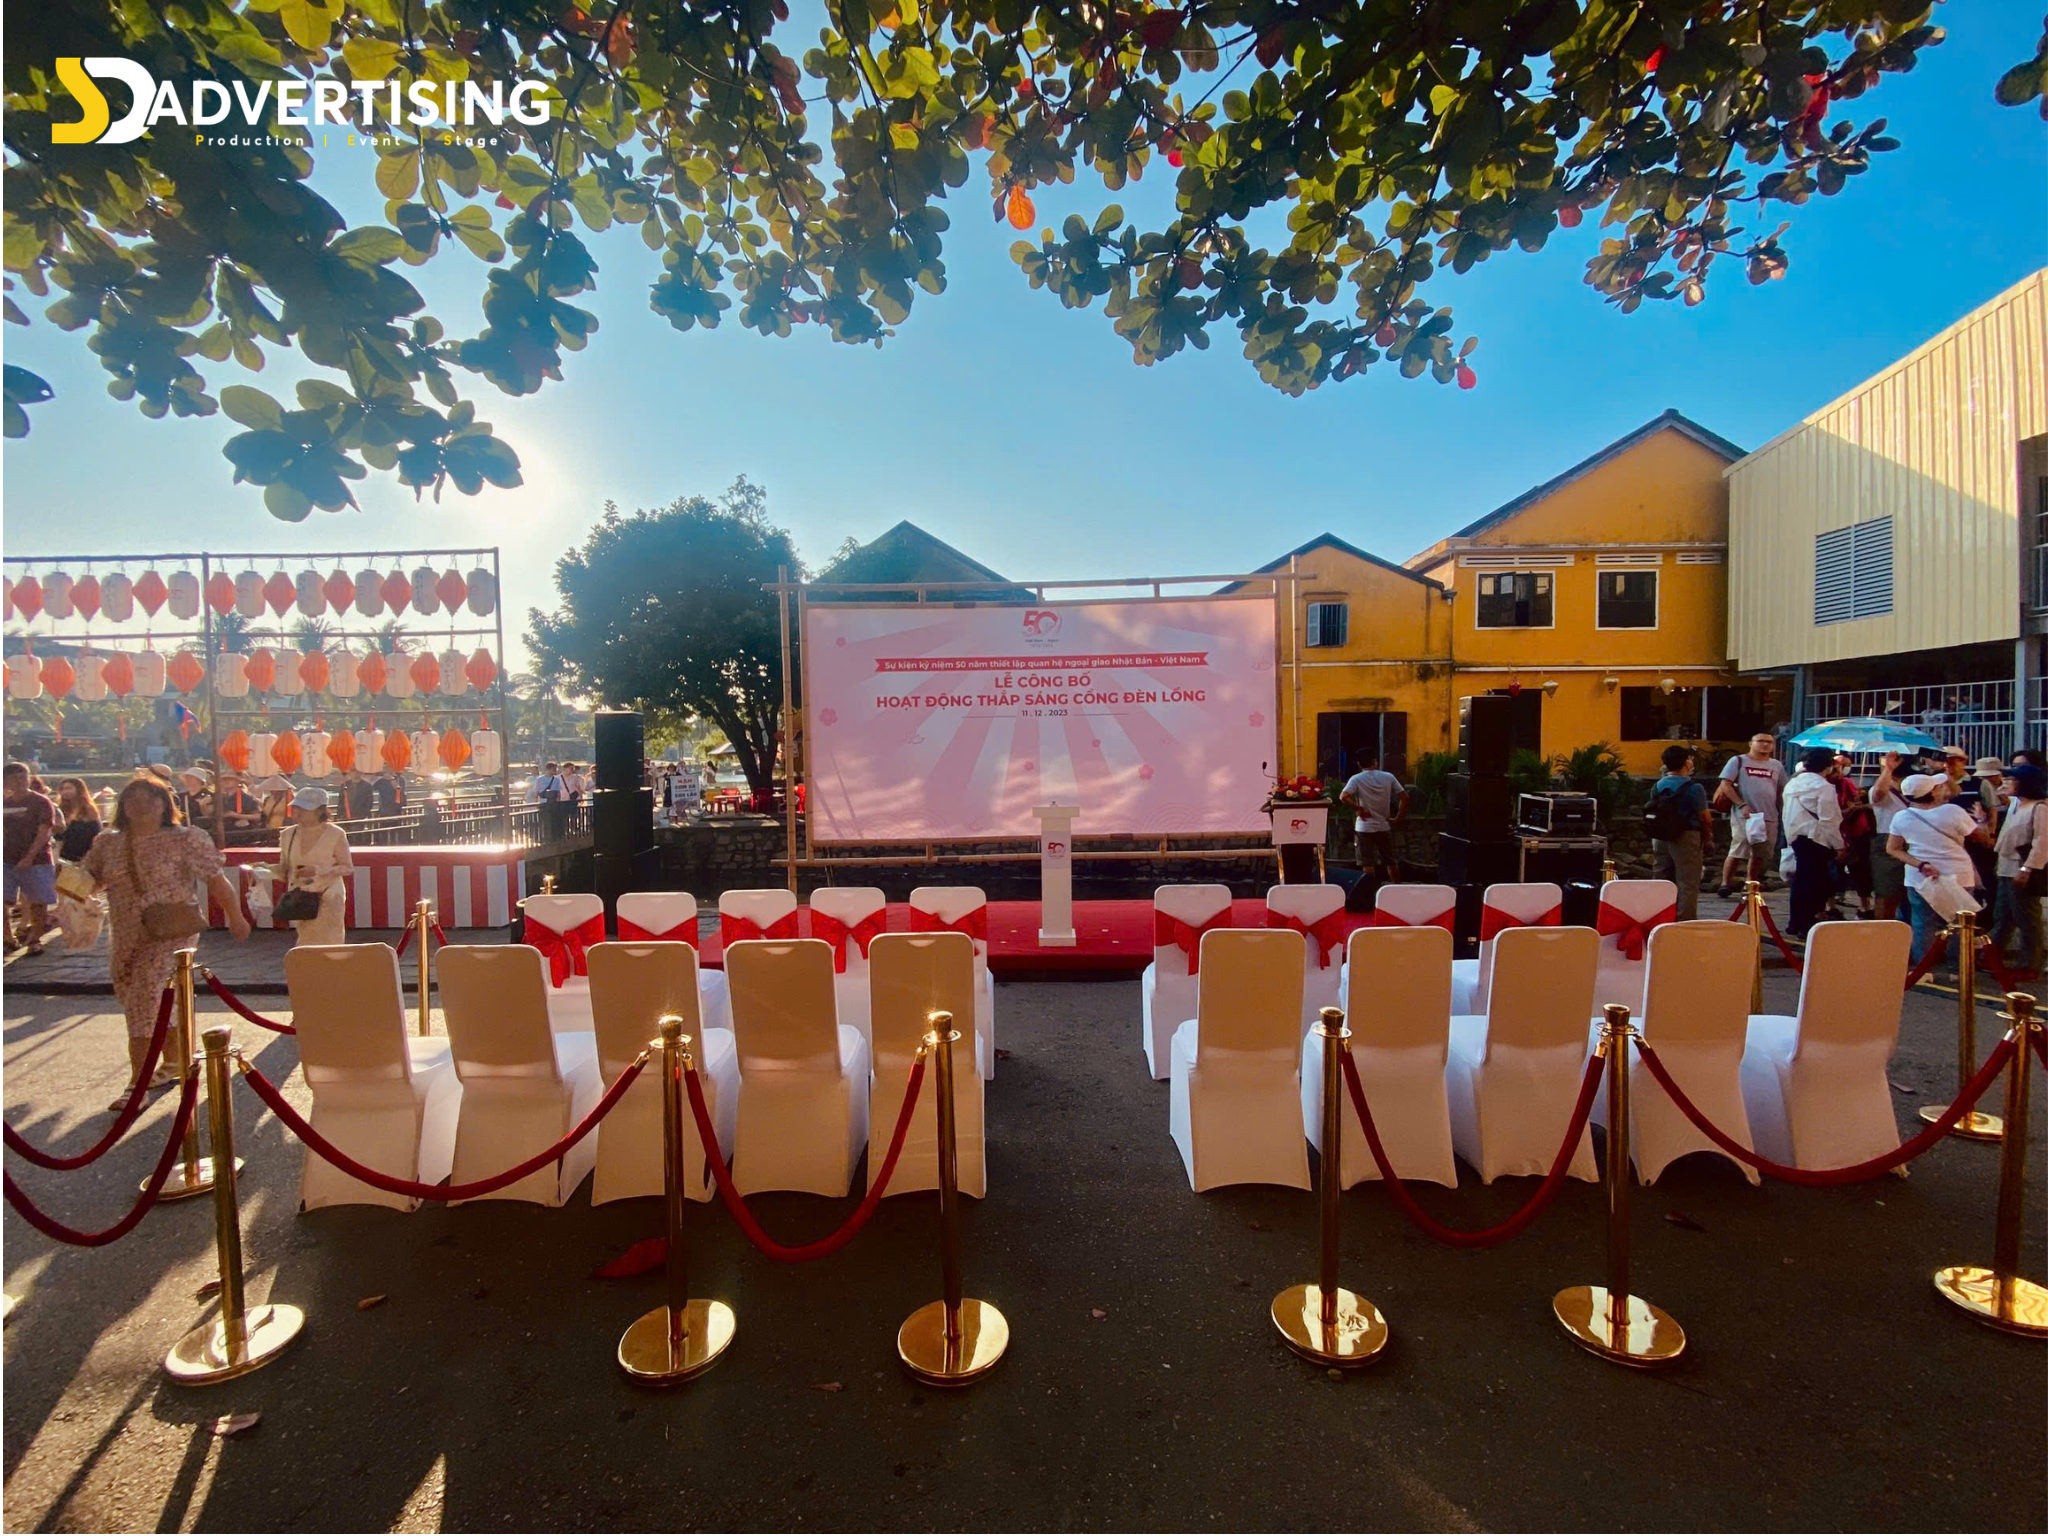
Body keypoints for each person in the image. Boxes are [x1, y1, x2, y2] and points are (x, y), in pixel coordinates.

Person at [83, 777, 252, 1111]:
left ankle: (137, 1083)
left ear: (165, 804)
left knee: (144, 998)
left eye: (151, 799)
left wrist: (236, 915)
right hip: (127, 932)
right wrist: (67, 897)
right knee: (141, 996)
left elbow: (216, 880)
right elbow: (88, 878)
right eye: (133, 800)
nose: (142, 806)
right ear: (122, 807)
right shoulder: (108, 843)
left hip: (170, 931)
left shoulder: (185, 839)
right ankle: (174, 1060)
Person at [1886, 772, 1993, 968]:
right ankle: (1958, 966)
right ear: (1933, 792)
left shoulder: (1901, 817)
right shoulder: (1953, 811)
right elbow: (1982, 838)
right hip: (1958, 874)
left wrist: (1920, 864)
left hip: (1919, 878)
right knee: (1960, 922)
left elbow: (1893, 849)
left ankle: (1924, 968)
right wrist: (1981, 820)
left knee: (1922, 923)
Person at [276, 786, 353, 947]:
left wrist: (318, 870)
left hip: (328, 895)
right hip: (301, 896)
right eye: (296, 808)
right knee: (306, 940)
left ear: (320, 811)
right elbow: (285, 867)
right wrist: (265, 870)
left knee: (329, 941)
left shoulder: (336, 834)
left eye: (304, 809)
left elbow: (347, 867)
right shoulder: (287, 835)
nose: (298, 812)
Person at [1990, 763, 2048, 975]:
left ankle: (2030, 964)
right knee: (2003, 915)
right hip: (2005, 867)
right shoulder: (2017, 804)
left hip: (2021, 867)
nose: (2007, 783)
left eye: (2013, 780)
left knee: (2027, 918)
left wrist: (2027, 868)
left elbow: (2042, 841)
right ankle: (1993, 956)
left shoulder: (2039, 807)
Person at [1782, 748, 1845, 939]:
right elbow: (1829, 819)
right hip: (1817, 838)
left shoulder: (1792, 784)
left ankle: (1795, 922)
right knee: (1816, 884)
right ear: (1827, 766)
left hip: (1797, 837)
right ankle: (1808, 923)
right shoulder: (1823, 787)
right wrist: (1839, 844)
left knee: (1800, 881)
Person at [1714, 732, 1788, 897]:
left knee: (1761, 853)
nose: (1765, 744)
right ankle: (1726, 883)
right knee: (1738, 849)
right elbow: (1725, 784)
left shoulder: (1776, 765)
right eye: (1760, 741)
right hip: (1744, 814)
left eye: (1769, 742)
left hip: (1769, 815)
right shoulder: (1738, 761)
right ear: (1751, 743)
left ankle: (1751, 884)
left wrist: (1782, 810)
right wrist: (1741, 804)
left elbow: (1782, 788)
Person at [1646, 744, 1713, 921]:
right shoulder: (1694, 788)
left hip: (1660, 835)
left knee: (1661, 878)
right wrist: (1708, 838)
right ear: (1686, 763)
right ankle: (1685, 920)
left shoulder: (1658, 785)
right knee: (1688, 881)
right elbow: (1705, 816)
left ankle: (1659, 917)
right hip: (1686, 835)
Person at [4, 761, 60, 953]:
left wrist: (29, 857)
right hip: (6, 858)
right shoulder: (5, 803)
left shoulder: (41, 802)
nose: (19, 782)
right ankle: (7, 938)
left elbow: (44, 832)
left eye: (23, 777)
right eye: (13, 778)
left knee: (38, 901)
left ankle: (35, 938)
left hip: (37, 860)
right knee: (3, 899)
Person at [1338, 750, 1406, 881]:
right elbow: (1404, 797)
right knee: (1390, 861)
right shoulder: (1388, 777)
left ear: (1359, 764)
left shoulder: (1356, 779)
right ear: (1375, 762)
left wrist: (1358, 808)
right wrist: (1398, 817)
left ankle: (1370, 889)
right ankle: (1397, 886)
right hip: (1384, 825)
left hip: (1364, 827)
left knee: (1367, 862)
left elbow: (1343, 796)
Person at [1868, 751, 1910, 922]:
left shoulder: (1914, 790)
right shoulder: (1881, 788)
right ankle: (1883, 929)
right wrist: (1889, 769)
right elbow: (1877, 795)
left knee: (1908, 893)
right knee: (1887, 893)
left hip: (1912, 841)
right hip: (1887, 839)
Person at [1833, 754, 1876, 919]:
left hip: (1858, 833)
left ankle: (1864, 905)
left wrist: (1860, 804)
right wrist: (1850, 809)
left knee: (1861, 870)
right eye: (1840, 765)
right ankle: (1831, 905)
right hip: (1838, 832)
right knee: (1834, 871)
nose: (1843, 769)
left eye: (1847, 765)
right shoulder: (1826, 786)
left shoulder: (1848, 783)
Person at [55, 777, 103, 863]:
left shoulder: (89, 810)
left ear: (79, 789)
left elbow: (95, 834)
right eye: (62, 789)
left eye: (69, 788)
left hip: (84, 855)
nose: (65, 792)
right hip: (62, 856)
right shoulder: (60, 810)